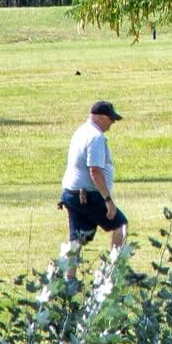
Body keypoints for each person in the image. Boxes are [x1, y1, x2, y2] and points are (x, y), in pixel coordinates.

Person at [59, 100, 128, 250]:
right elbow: (95, 171)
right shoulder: (96, 137)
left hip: (71, 193)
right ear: (101, 117)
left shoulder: (81, 131)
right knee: (120, 225)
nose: (112, 123)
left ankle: (67, 274)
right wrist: (108, 200)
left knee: (77, 238)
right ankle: (115, 271)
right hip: (88, 195)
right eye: (111, 119)